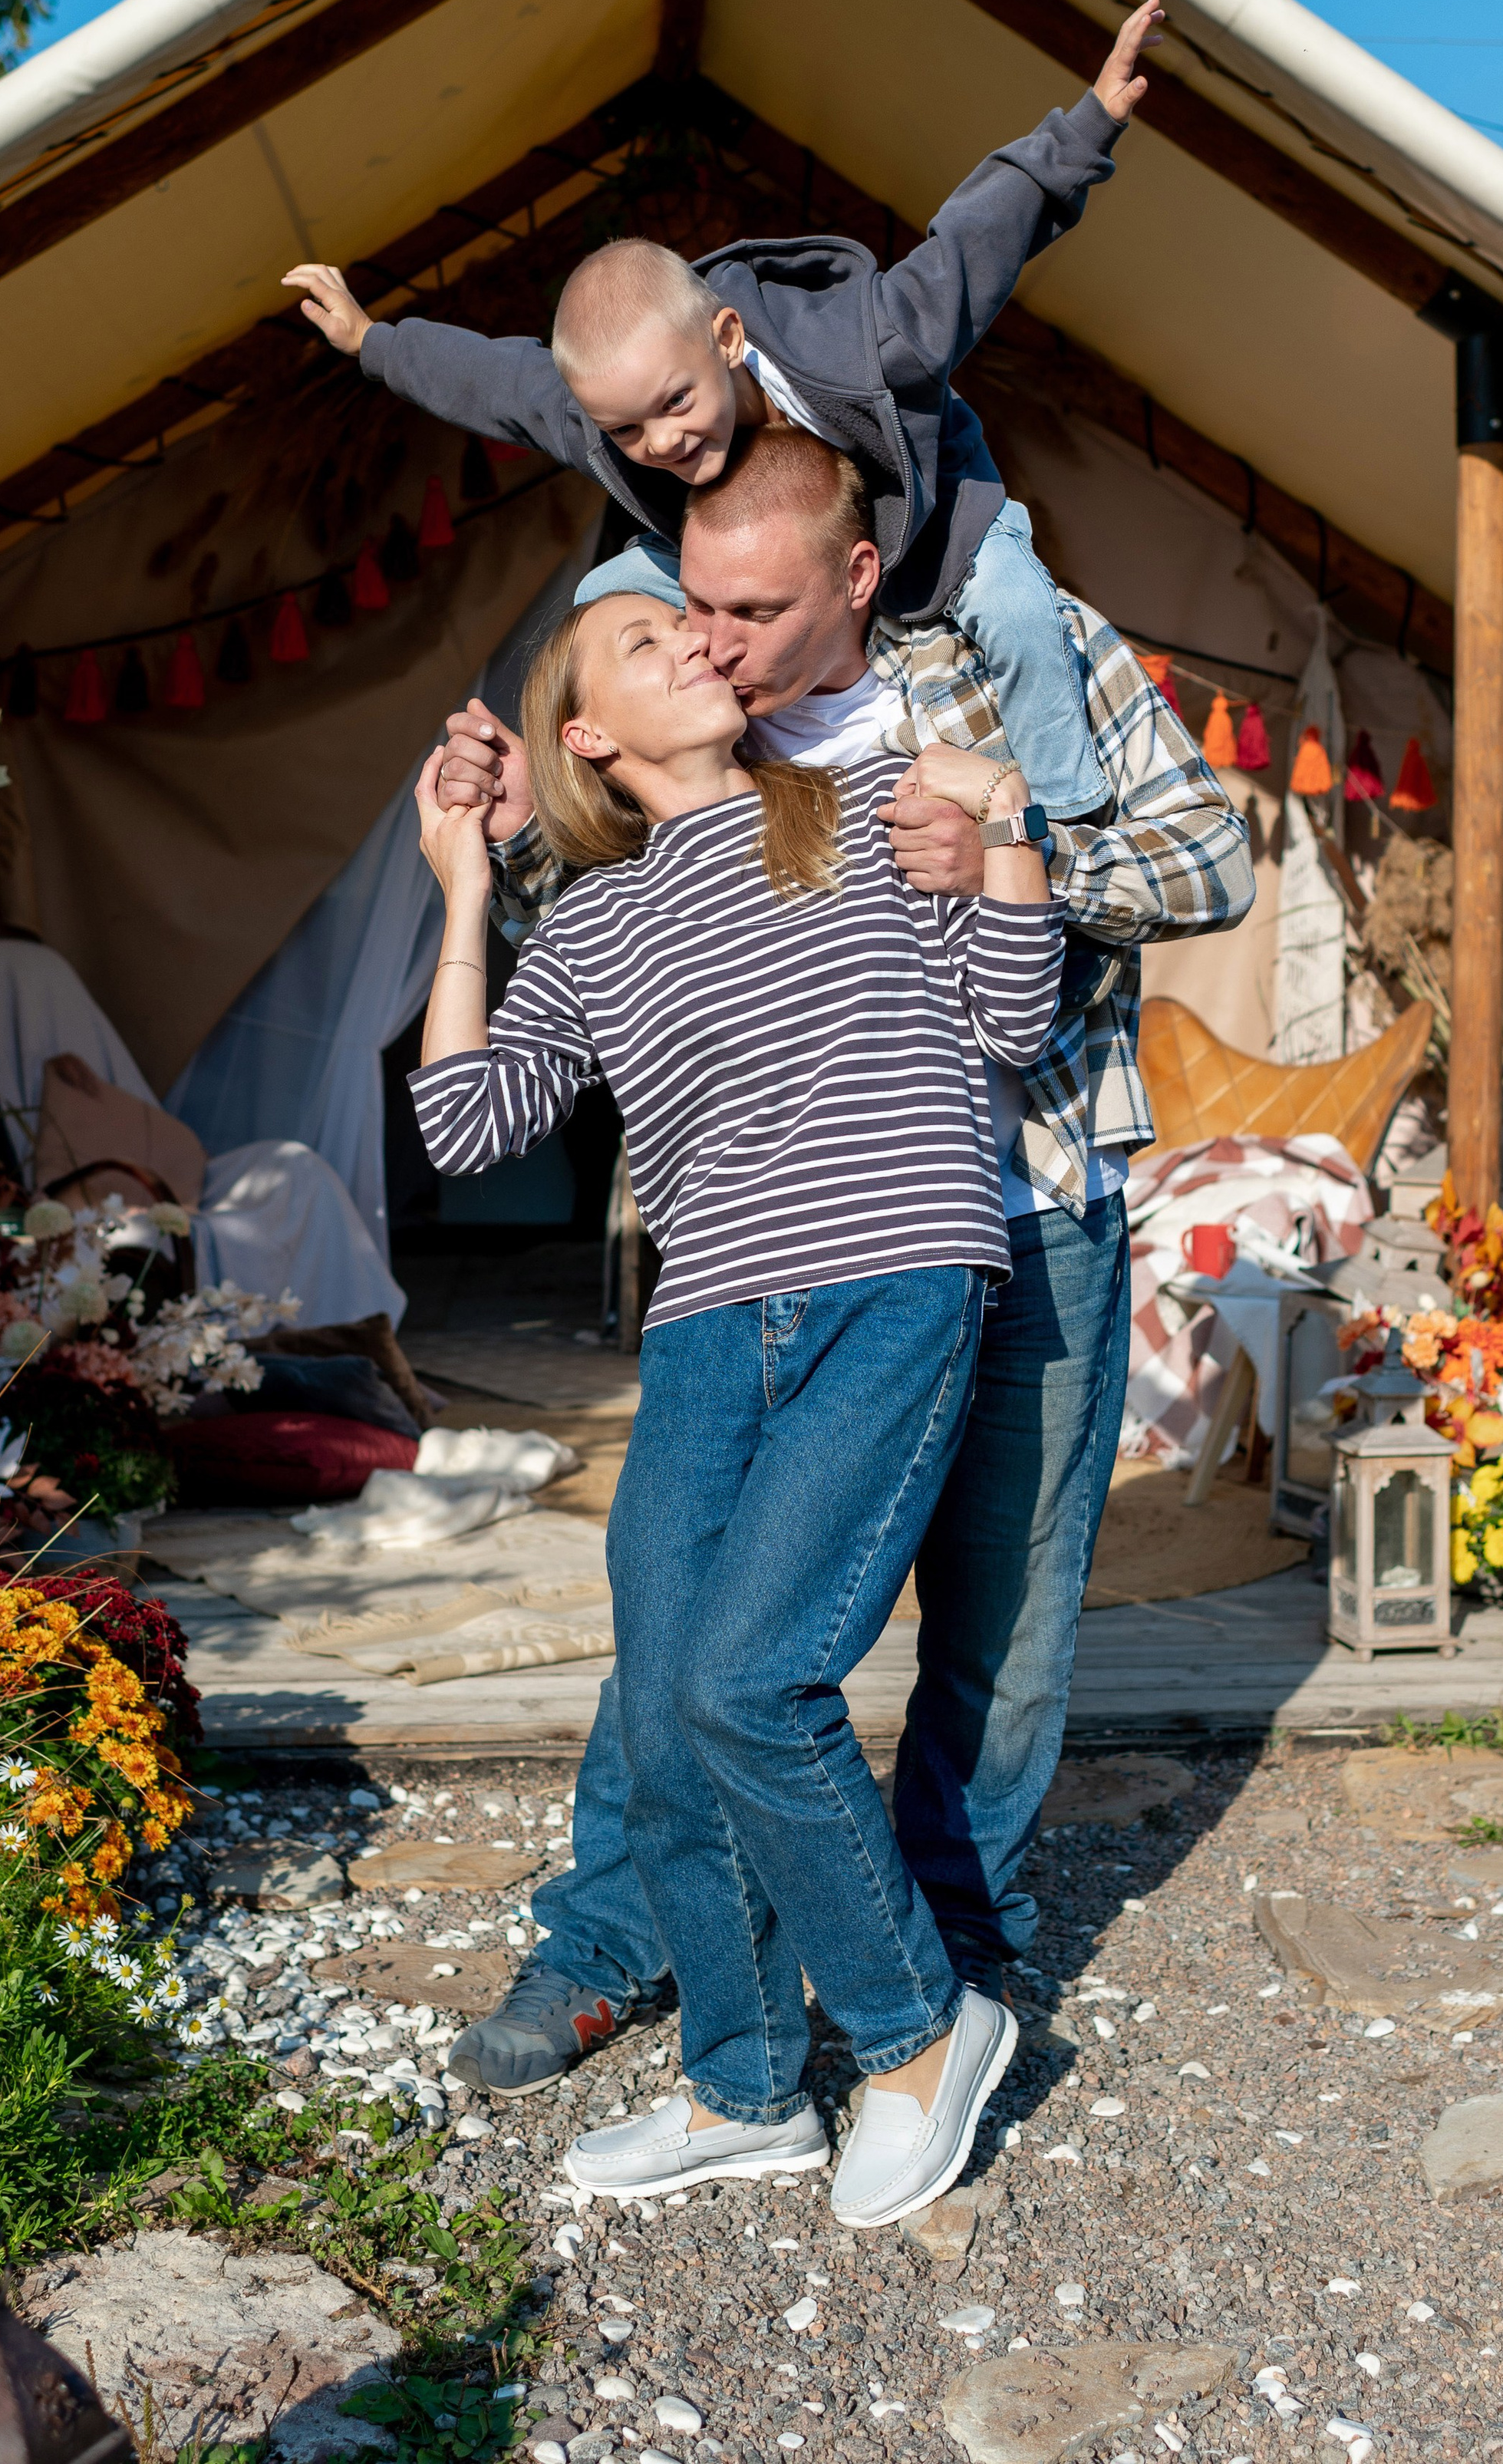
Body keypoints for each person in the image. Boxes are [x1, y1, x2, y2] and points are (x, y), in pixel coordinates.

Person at [429, 427, 1255, 2100]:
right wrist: (513, 842)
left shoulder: (1002, 671)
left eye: (740, 607)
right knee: (697, 1622)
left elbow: (1207, 861)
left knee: (1002, 1621)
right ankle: (619, 1934)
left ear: (855, 578)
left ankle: (935, 1956)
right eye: (683, 610)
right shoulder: (707, 751)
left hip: (1023, 1198)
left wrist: (1007, 847)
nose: (711, 635)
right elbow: (619, 974)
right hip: (774, 1244)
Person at [405, 526, 1070, 2225]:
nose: (695, 642)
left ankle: (924, 2033)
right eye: (645, 641)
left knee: (751, 1677)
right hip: (710, 1328)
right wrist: (465, 888)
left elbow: (1008, 1019)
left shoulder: (854, 808)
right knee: (668, 1694)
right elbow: (464, 1123)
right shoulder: (594, 919)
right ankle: (745, 2087)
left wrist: (1001, 832)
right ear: (587, 740)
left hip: (894, 1284)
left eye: (695, 623)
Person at [284, 0, 1166, 839]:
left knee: (1016, 607)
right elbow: (491, 380)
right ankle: (639, 805)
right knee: (599, 602)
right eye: (629, 432)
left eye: (676, 403)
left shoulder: (862, 346)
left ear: (728, 336)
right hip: (746, 555)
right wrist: (372, 341)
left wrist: (1086, 127)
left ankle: (1071, 813)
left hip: (929, 529)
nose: (662, 442)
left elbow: (968, 252)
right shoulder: (605, 421)